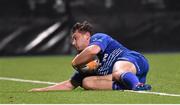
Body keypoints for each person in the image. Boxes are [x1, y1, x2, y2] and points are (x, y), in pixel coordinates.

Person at [30, 21, 151, 92]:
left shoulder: (98, 38)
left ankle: (137, 86)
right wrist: (41, 90)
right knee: (86, 82)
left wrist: (75, 62)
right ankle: (127, 85)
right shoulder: (88, 64)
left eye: (75, 38)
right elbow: (69, 85)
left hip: (134, 60)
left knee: (117, 68)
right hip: (126, 76)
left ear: (87, 36)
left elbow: (93, 50)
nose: (73, 43)